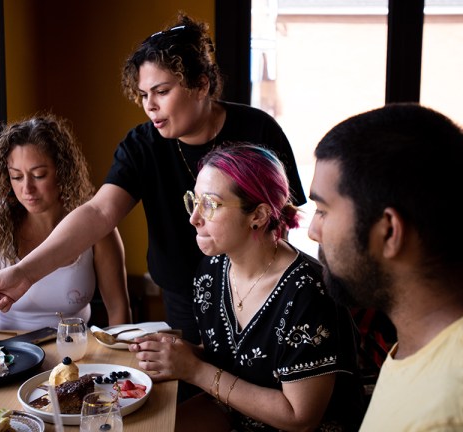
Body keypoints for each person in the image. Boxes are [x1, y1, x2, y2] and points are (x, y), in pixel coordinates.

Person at [0, 13, 305, 345]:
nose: (149, 106)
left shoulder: (259, 131)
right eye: (143, 95)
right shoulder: (141, 145)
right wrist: (24, 273)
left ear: (201, 85)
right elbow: (98, 214)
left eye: (162, 91)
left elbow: (281, 221)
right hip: (183, 298)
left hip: (256, 293)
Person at [308, 103, 463, 430]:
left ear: (389, 231)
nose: (313, 230)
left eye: (323, 210)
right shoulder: (449, 339)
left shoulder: (462, 408)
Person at [131, 144, 365, 431]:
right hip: (234, 411)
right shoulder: (213, 269)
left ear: (258, 215)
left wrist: (194, 370)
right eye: (194, 200)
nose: (194, 218)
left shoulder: (308, 293)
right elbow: (224, 355)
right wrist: (176, 354)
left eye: (211, 205)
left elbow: (300, 418)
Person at [0, 114, 131, 330]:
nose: (27, 189)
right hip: (9, 353)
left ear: (62, 171)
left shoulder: (95, 225)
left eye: (39, 175)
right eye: (17, 176)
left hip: (75, 351)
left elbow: (118, 310)